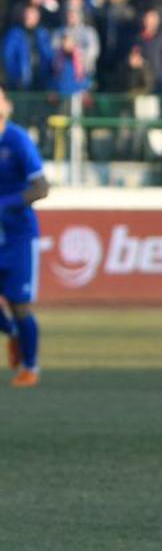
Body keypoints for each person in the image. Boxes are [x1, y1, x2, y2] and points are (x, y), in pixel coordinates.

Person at [0, 86, 50, 387]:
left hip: (18, 236)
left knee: (20, 305)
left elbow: (41, 187)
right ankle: (14, 334)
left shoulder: (17, 140)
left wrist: (4, 205)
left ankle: (30, 366)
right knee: (14, 317)